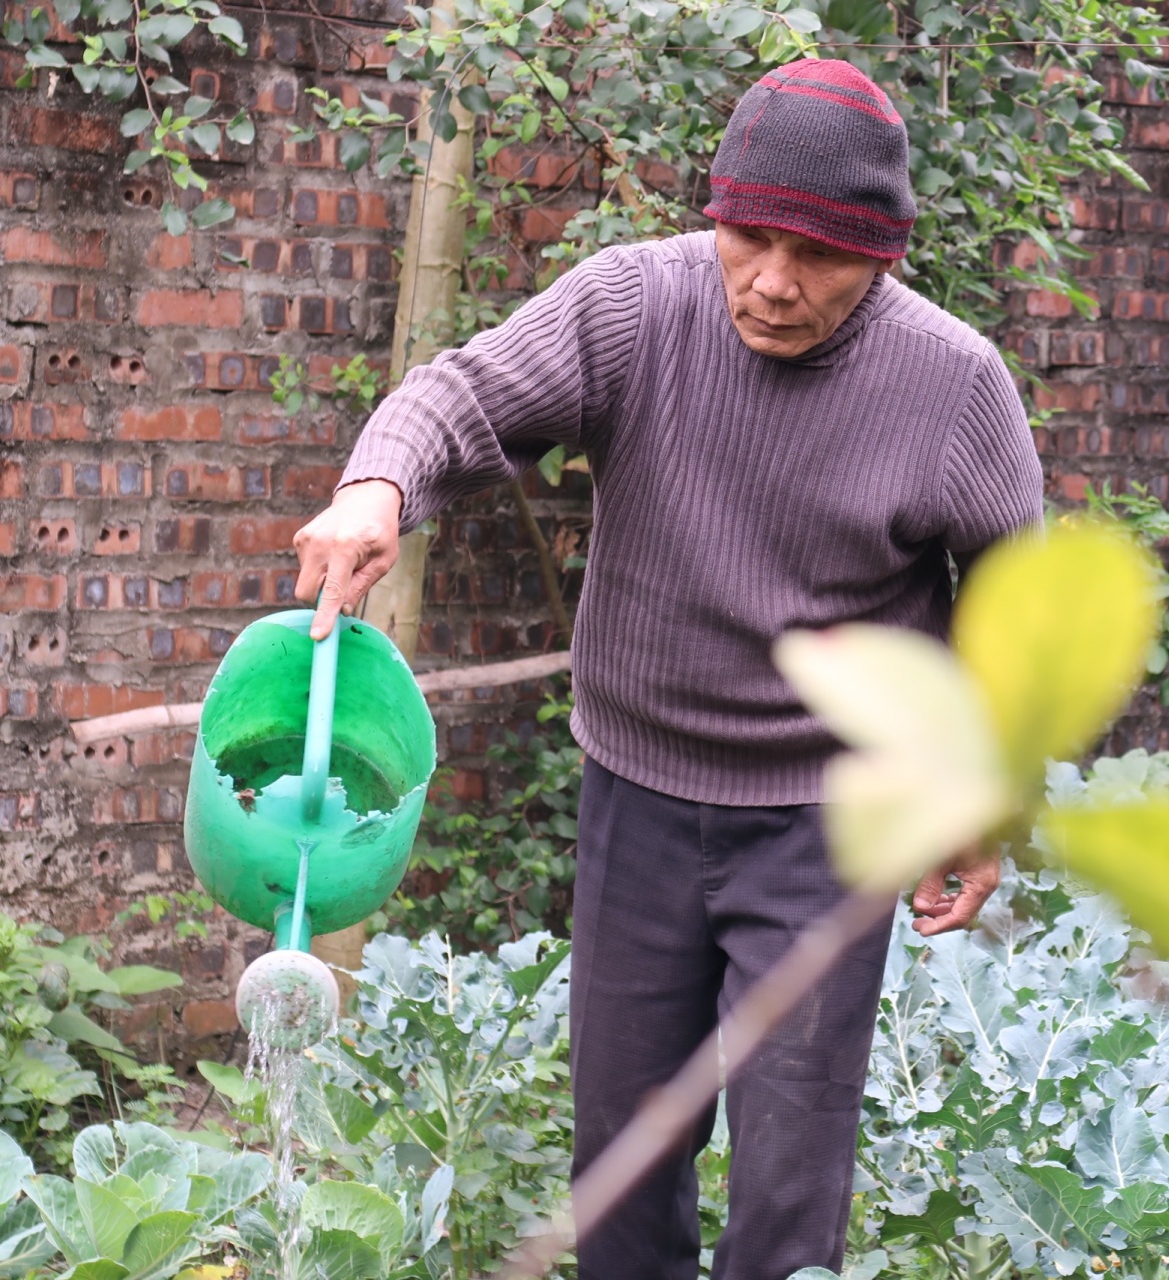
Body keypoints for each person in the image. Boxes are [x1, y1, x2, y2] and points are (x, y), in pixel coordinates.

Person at [292, 56, 1043, 1280]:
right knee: (623, 1165)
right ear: (715, 217)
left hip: (830, 823)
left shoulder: (954, 387)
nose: (776, 282)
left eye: (822, 257)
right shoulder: (636, 307)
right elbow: (463, 392)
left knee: (790, 1183)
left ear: (885, 256)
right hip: (636, 802)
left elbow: (1014, 616)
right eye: (748, 238)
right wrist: (376, 484)